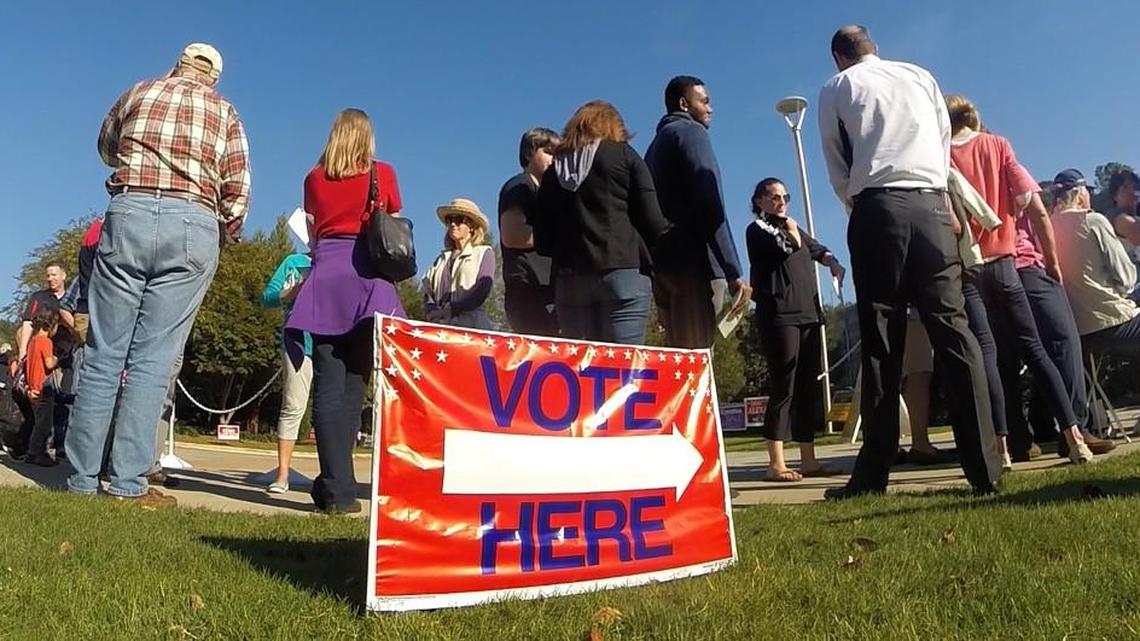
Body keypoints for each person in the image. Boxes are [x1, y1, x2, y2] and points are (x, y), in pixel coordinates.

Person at [817, 25, 1002, 498]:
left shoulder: (837, 87)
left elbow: (837, 161)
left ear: (839, 57)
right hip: (931, 204)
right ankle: (986, 469)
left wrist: (856, 201)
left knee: (881, 338)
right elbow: (941, 141)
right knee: (955, 332)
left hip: (878, 205)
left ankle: (873, 474)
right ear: (874, 48)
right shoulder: (920, 76)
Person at [66, 42, 249, 507]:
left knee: (105, 351)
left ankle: (82, 478)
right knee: (153, 360)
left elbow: (107, 147)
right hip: (192, 222)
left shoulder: (139, 92)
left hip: (129, 210)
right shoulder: (225, 112)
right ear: (214, 76)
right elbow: (237, 187)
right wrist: (228, 224)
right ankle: (128, 481)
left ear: (178, 65)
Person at [945, 95, 1094, 466]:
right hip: (1008, 263)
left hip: (969, 269)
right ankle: (1075, 436)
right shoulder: (998, 145)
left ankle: (1002, 448)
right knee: (1037, 349)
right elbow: (1028, 199)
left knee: (989, 357)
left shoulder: (939, 156)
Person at [286, 108, 405, 514]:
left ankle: (336, 486)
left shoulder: (313, 179)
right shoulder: (382, 172)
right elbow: (391, 213)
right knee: (355, 385)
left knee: (328, 385)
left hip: (326, 275)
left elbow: (314, 227)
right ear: (367, 138)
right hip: (368, 278)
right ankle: (341, 485)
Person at [534, 100, 672, 344]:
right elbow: (653, 222)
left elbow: (543, 241)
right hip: (624, 275)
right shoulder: (624, 156)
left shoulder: (553, 172)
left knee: (581, 372)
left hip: (570, 282)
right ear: (614, 128)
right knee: (623, 369)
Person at [746, 178, 845, 481]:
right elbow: (791, 246)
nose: (781, 201)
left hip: (808, 314)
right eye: (774, 197)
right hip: (780, 315)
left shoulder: (793, 225)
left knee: (807, 387)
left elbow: (814, 248)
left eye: (784, 196)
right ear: (760, 200)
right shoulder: (760, 229)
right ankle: (775, 462)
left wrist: (832, 262)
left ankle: (808, 459)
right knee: (784, 385)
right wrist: (790, 228)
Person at [645, 76, 751, 348]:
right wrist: (732, 269)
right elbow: (709, 200)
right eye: (704, 101)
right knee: (699, 357)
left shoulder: (653, 148)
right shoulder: (691, 133)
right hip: (696, 267)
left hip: (665, 269)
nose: (710, 109)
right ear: (683, 103)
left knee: (680, 360)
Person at [1051, 169, 1140, 353]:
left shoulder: (1046, 228)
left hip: (1077, 330)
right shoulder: (1093, 221)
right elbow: (1127, 279)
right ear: (1080, 193)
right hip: (1113, 320)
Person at [499, 128, 561, 336]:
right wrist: (559, 238)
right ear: (529, 154)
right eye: (549, 152)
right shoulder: (519, 187)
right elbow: (512, 234)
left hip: (546, 291)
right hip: (528, 292)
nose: (555, 159)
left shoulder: (544, 193)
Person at [261, 251, 313, 493]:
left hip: (334, 344)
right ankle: (283, 474)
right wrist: (292, 292)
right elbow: (267, 297)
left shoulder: (341, 258)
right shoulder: (295, 263)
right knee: (293, 407)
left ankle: (333, 478)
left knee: (331, 412)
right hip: (298, 342)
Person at [9, 264, 74, 460]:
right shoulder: (40, 298)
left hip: (66, 355)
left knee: (63, 401)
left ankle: (59, 444)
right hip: (48, 361)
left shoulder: (72, 298)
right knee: (43, 416)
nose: (50, 278)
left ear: (64, 275)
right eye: (48, 275)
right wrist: (22, 356)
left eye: (54, 274)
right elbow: (27, 323)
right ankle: (35, 450)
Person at [423, 199, 496, 329]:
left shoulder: (484, 253)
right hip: (440, 330)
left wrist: (453, 308)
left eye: (459, 220)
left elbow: (482, 290)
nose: (452, 224)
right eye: (449, 220)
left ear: (472, 226)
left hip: (472, 328)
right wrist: (432, 312)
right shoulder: (440, 260)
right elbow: (427, 292)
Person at [19, 308, 61, 467]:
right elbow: (49, 363)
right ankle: (35, 453)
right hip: (43, 388)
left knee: (37, 421)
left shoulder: (32, 342)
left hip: (32, 387)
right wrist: (56, 358)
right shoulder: (46, 342)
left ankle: (33, 451)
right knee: (44, 424)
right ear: (51, 325)